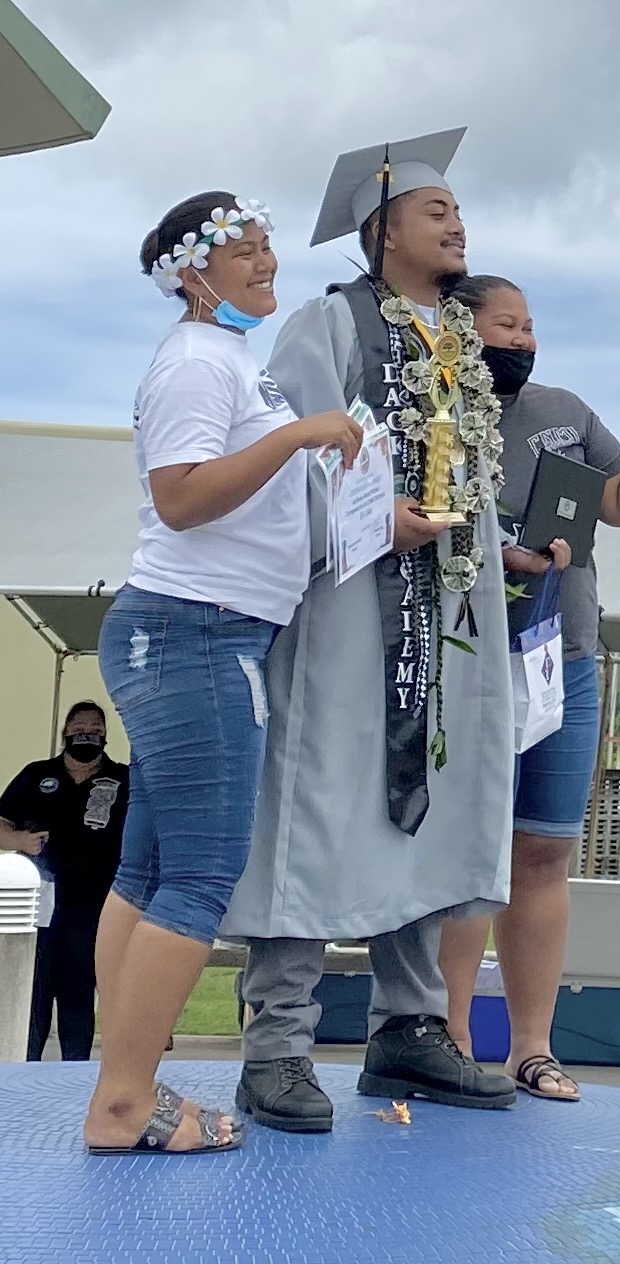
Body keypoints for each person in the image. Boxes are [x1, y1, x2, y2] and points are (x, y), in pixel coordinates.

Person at [221, 129, 517, 1132]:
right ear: (383, 229)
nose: (457, 224)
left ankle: (408, 1028)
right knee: (322, 799)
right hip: (349, 605)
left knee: (425, 799)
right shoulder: (330, 321)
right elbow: (290, 449)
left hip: (446, 616)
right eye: (436, 211)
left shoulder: (457, 341)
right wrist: (368, 515)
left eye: (459, 210)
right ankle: (276, 1045)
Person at [82, 189, 362, 1157]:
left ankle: (122, 1078)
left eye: (267, 245)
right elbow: (182, 495)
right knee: (199, 876)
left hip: (194, 632)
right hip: (197, 633)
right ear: (192, 272)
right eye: (243, 249)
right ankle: (123, 1101)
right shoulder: (199, 360)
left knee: (150, 870)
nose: (266, 260)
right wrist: (296, 434)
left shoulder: (226, 359)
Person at [438, 274, 620, 1100]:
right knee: (469, 853)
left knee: (544, 850)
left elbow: (619, 502)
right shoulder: (429, 415)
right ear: (460, 330)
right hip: (466, 660)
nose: (521, 338)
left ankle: (531, 1046)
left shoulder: (565, 411)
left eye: (527, 326)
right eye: (504, 324)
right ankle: (445, 1038)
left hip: (564, 659)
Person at [0, 701, 127, 1061]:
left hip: (95, 910)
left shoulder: (123, 779)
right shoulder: (36, 774)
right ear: (65, 731)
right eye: (79, 727)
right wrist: (20, 841)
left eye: (96, 729)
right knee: (33, 1000)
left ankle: (75, 1080)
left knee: (78, 1002)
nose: (87, 734)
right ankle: (24, 1077)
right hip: (40, 910)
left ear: (106, 735)